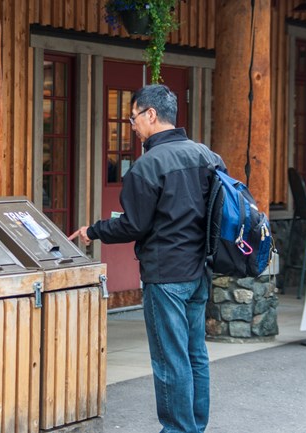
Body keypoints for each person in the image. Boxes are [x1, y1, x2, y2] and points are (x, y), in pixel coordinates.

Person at [69, 84, 225, 433]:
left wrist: (94, 230)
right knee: (195, 354)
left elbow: (134, 225)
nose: (132, 125)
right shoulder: (208, 157)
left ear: (151, 115)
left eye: (134, 117)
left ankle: (178, 430)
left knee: (171, 360)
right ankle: (194, 427)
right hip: (199, 271)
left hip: (165, 274)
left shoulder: (147, 166)